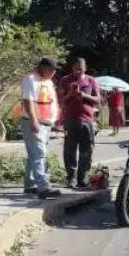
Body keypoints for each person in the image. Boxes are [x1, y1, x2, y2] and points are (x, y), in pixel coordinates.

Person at [14, 56, 61, 200]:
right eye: (52, 69)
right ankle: (43, 187)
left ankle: (30, 186)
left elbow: (51, 101)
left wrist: (56, 118)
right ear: (43, 67)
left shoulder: (47, 81)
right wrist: (34, 120)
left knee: (34, 155)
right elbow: (28, 101)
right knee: (40, 154)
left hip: (45, 123)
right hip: (34, 122)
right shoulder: (30, 79)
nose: (54, 72)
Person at [57, 58, 101, 189]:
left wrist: (84, 95)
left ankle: (82, 178)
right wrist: (69, 94)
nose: (77, 71)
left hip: (87, 120)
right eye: (75, 68)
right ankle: (71, 178)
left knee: (87, 150)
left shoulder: (91, 80)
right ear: (72, 68)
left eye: (80, 69)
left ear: (85, 68)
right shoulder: (65, 80)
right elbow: (59, 99)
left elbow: (98, 99)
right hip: (70, 119)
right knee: (69, 150)